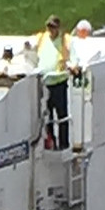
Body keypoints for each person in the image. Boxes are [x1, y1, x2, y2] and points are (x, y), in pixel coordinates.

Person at [34, 15, 81, 149]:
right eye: (48, 26)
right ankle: (50, 142)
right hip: (44, 84)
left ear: (58, 28)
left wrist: (73, 66)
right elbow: (29, 48)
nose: (50, 29)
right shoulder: (42, 38)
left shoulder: (65, 40)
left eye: (53, 27)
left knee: (61, 117)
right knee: (46, 117)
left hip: (59, 83)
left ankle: (63, 144)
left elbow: (74, 57)